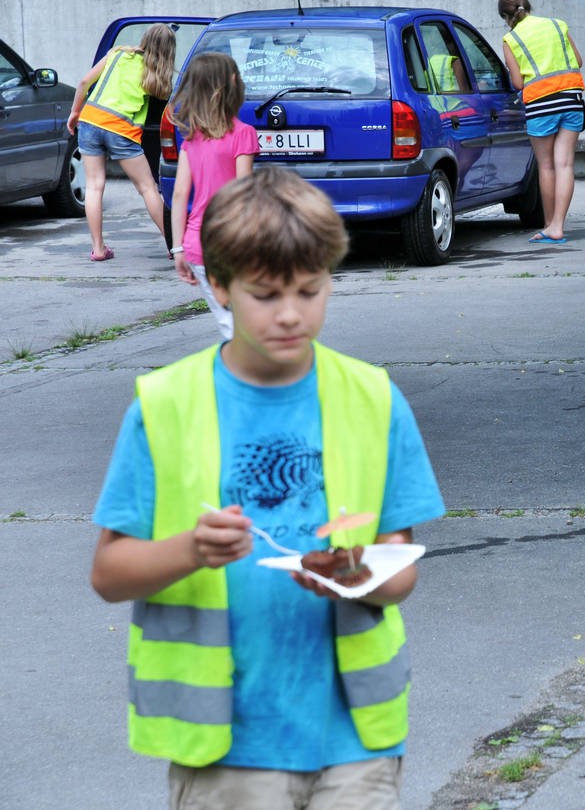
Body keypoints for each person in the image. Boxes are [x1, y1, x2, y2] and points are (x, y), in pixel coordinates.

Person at [89, 165, 445, 809]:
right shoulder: (165, 404)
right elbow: (110, 575)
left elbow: (401, 572)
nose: (290, 314)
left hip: (356, 740)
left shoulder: (372, 397)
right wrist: (190, 549)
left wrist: (357, 573)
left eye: (310, 290)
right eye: (266, 294)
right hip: (225, 749)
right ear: (219, 286)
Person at [168, 52, 259, 340]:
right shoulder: (243, 134)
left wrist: (178, 249)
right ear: (232, 82)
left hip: (197, 244)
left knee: (229, 322)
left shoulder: (190, 137)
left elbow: (180, 194)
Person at [67, 23, 175, 262]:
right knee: (147, 188)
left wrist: (75, 112)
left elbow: (84, 82)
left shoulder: (117, 53)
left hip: (90, 121)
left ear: (145, 39)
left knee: (94, 187)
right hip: (121, 130)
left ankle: (98, 249)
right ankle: (172, 246)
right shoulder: (156, 75)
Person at [499, 0, 585, 244]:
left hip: (540, 104)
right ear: (528, 6)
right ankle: (558, 224)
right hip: (571, 98)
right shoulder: (558, 25)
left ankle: (550, 226)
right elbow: (578, 61)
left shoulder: (511, 39)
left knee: (546, 166)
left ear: (505, 16)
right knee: (565, 165)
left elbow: (517, 83)